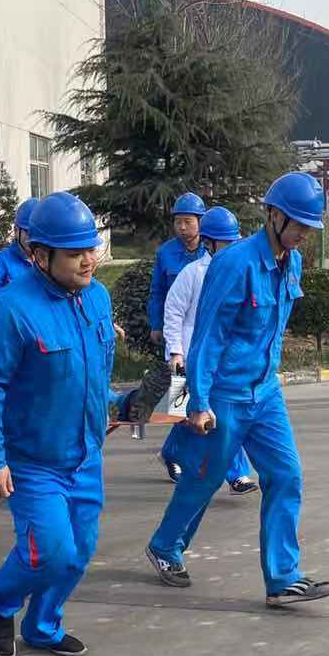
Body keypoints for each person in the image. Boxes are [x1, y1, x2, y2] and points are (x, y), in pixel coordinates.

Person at [143, 172, 329, 608]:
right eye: (299, 224)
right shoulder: (234, 264)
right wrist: (199, 401)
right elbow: (208, 337)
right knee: (205, 478)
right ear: (273, 215)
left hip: (265, 393)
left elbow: (273, 330)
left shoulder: (292, 262)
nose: (304, 234)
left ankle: (282, 578)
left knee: (286, 476)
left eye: (310, 227)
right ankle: (165, 545)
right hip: (225, 394)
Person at [0, 191, 115, 656]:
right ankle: (0, 598)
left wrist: (121, 404)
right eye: (75, 253)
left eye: (91, 249)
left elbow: (94, 374)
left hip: (85, 456)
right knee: (49, 550)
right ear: (40, 254)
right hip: (34, 462)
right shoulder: (10, 310)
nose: (88, 261)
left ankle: (43, 626)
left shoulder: (97, 298)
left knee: (78, 552)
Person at [161, 205, 257, 496]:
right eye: (225, 243)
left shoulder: (239, 272)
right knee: (193, 416)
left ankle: (233, 473)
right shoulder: (192, 273)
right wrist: (175, 352)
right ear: (210, 243)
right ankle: (176, 453)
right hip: (191, 356)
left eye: (233, 242)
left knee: (221, 415)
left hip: (224, 357)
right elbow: (173, 312)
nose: (231, 248)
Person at [145, 192, 207, 481]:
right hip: (176, 334)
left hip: (204, 334)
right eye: (178, 221)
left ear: (200, 222)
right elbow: (157, 292)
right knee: (181, 399)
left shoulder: (211, 251)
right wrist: (156, 324)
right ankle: (174, 453)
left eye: (188, 221)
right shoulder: (166, 253)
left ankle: (177, 453)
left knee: (207, 398)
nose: (182, 227)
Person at [0, 197, 38, 290]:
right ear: (16, 230)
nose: (34, 238)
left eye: (39, 233)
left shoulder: (50, 264)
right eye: (28, 232)